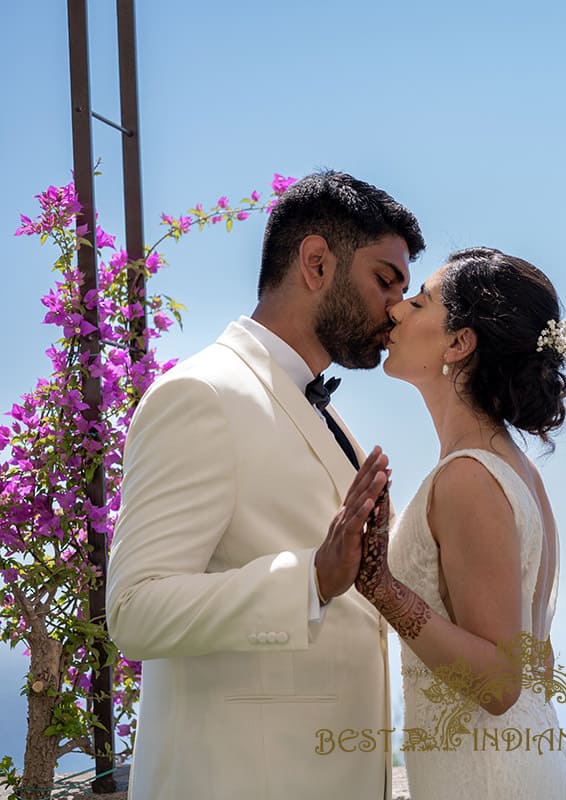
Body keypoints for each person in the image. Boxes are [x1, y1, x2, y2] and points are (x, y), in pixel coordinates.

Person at [106, 170, 423, 800]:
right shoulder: (201, 394)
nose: (396, 309)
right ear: (315, 263)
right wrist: (309, 578)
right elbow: (135, 609)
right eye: (385, 280)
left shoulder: (331, 418)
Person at [352, 247, 566, 799]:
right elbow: (539, 664)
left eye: (420, 302)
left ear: (459, 343)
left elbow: (501, 684)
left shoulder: (468, 478)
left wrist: (381, 588)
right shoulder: (516, 471)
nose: (396, 312)